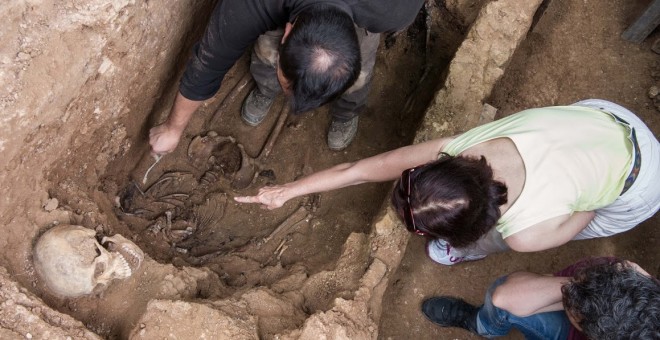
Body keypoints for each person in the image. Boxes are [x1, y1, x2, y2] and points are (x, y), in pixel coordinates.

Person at [235, 99, 660, 265]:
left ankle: (459, 252)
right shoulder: (466, 145)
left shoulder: (524, 235)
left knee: (586, 213)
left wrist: (577, 186)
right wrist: (288, 190)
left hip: (639, 182)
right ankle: (454, 248)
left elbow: (584, 213)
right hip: (605, 123)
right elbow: (358, 170)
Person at [149, 0, 426, 153]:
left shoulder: (395, 9)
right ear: (288, 30)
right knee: (267, 52)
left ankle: (346, 112)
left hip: (364, 12)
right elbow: (208, 63)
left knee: (359, 77)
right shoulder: (249, 6)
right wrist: (173, 129)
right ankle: (266, 87)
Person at [420, 258, 660, 339]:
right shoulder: (617, 273)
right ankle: (482, 324)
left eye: (578, 316)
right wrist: (578, 288)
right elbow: (506, 296)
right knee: (505, 300)